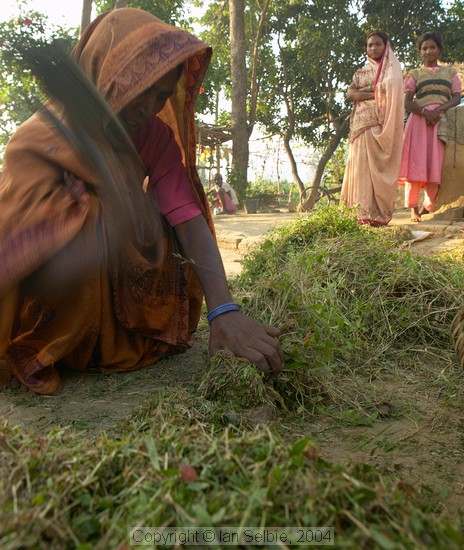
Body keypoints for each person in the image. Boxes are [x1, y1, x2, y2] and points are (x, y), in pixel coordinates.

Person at [0, 8, 283, 395]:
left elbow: (188, 219)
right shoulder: (40, 137)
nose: (146, 107)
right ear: (105, 71)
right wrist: (87, 216)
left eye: (161, 94)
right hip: (44, 306)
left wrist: (224, 312)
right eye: (139, 86)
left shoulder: (154, 137)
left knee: (152, 219)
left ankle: (112, 340)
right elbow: (13, 233)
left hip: (123, 314)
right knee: (93, 213)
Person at [340, 30, 404, 226]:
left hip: (381, 125)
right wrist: (375, 92)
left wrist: (366, 91)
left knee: (377, 169)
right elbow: (350, 94)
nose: (373, 48)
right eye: (370, 45)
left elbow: (394, 94)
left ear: (386, 46)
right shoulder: (360, 73)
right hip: (361, 127)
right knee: (360, 168)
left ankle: (376, 214)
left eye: (377, 44)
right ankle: (359, 213)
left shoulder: (393, 73)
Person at [398, 31, 462, 222]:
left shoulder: (450, 73)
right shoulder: (415, 74)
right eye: (424, 48)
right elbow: (407, 102)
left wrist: (438, 110)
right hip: (418, 122)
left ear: (439, 50)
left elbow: (457, 97)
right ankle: (413, 209)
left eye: (432, 47)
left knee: (436, 163)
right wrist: (426, 113)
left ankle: (429, 206)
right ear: (420, 52)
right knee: (415, 164)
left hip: (441, 123)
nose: (428, 51)